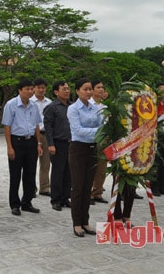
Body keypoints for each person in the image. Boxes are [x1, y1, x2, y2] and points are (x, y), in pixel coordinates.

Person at [2, 79, 43, 216]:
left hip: (30, 141)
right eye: (27, 89)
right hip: (17, 142)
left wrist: (38, 144)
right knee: (15, 175)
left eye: (32, 89)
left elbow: (36, 125)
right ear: (20, 90)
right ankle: (15, 204)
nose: (30, 91)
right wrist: (9, 147)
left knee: (30, 174)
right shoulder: (11, 105)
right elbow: (7, 126)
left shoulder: (33, 106)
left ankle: (27, 202)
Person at [67, 78, 102, 237]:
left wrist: (98, 132)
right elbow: (78, 130)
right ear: (77, 91)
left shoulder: (95, 108)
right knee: (78, 187)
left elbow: (102, 126)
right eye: (85, 89)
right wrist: (97, 132)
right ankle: (77, 223)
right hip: (78, 149)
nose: (89, 92)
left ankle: (86, 221)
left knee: (88, 187)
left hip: (93, 149)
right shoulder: (73, 109)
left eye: (90, 89)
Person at [43, 81, 72, 211]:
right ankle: (56, 200)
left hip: (71, 143)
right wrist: (50, 144)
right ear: (56, 92)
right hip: (58, 143)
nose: (67, 91)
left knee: (69, 172)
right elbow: (48, 127)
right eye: (64, 89)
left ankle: (66, 198)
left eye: (68, 88)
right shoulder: (52, 107)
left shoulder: (72, 106)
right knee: (57, 172)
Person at [30, 78, 52, 197]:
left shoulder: (49, 102)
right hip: (33, 135)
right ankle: (31, 188)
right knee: (31, 163)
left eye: (43, 87)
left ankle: (44, 187)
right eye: (38, 87)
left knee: (46, 163)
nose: (41, 90)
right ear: (34, 88)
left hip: (46, 134)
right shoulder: (29, 101)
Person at [89, 80, 109, 205]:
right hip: (90, 139)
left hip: (103, 140)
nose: (101, 90)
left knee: (102, 169)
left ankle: (98, 192)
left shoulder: (105, 106)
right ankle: (88, 193)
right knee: (91, 167)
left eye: (102, 87)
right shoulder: (88, 105)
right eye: (98, 87)